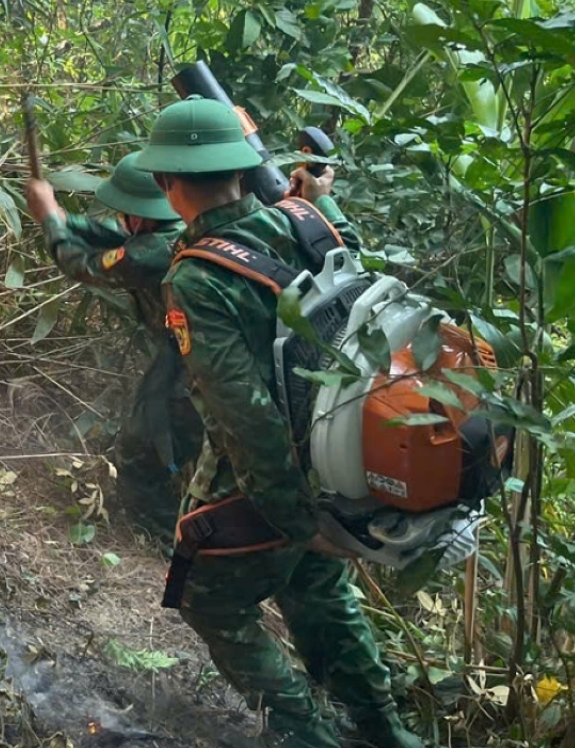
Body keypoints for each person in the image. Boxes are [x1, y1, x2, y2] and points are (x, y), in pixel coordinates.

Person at [134, 96, 424, 748]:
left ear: (163, 182)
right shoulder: (305, 220)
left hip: (275, 482)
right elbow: (365, 287)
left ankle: (309, 738)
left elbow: (244, 414)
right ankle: (389, 736)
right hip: (341, 457)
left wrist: (297, 520)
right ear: (242, 169)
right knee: (319, 594)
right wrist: (322, 198)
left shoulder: (198, 276)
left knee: (211, 600)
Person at [23, 153, 204, 544]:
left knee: (141, 452)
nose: (123, 220)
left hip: (194, 368)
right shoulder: (179, 227)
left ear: (139, 216)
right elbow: (108, 233)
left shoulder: (153, 250)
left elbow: (81, 264)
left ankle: (168, 544)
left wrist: (49, 219)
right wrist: (61, 214)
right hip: (188, 360)